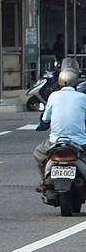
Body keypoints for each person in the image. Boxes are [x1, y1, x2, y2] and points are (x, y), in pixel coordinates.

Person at [33, 57, 86, 191]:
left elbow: (45, 119)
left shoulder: (53, 96)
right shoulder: (83, 98)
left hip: (55, 141)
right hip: (79, 142)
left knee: (38, 153)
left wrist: (43, 124)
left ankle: (45, 181)